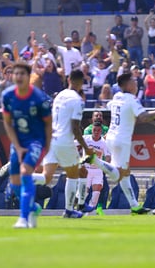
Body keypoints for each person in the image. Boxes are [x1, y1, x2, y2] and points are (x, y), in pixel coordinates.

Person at [84, 73, 155, 214]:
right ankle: (96, 160)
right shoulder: (132, 99)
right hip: (122, 140)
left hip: (111, 137)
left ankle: (134, 205)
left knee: (124, 174)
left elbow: (120, 111)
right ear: (127, 85)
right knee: (118, 174)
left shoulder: (116, 97)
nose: (136, 83)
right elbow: (144, 118)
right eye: (133, 81)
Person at [39, 70, 99, 218]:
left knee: (47, 177)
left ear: (68, 79)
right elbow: (75, 128)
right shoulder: (77, 100)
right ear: (81, 83)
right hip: (64, 141)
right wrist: (86, 148)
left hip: (52, 138)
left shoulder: (59, 95)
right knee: (73, 175)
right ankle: (69, 210)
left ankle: (23, 177)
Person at [1, 62, 52, 228]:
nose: (19, 76)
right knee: (15, 183)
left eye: (22, 73)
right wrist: (17, 146)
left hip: (35, 142)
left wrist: (47, 146)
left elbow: (48, 123)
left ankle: (23, 218)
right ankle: (33, 207)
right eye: (16, 73)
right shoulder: (7, 96)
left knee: (25, 172)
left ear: (28, 76)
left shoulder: (39, 98)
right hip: (18, 143)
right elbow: (8, 123)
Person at [77, 121, 111, 213]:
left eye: (98, 130)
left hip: (98, 170)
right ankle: (78, 208)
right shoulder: (85, 139)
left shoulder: (104, 143)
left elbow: (108, 157)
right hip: (86, 169)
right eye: (94, 130)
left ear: (101, 132)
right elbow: (74, 144)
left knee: (97, 191)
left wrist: (104, 167)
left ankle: (90, 212)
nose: (96, 132)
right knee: (84, 192)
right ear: (92, 130)